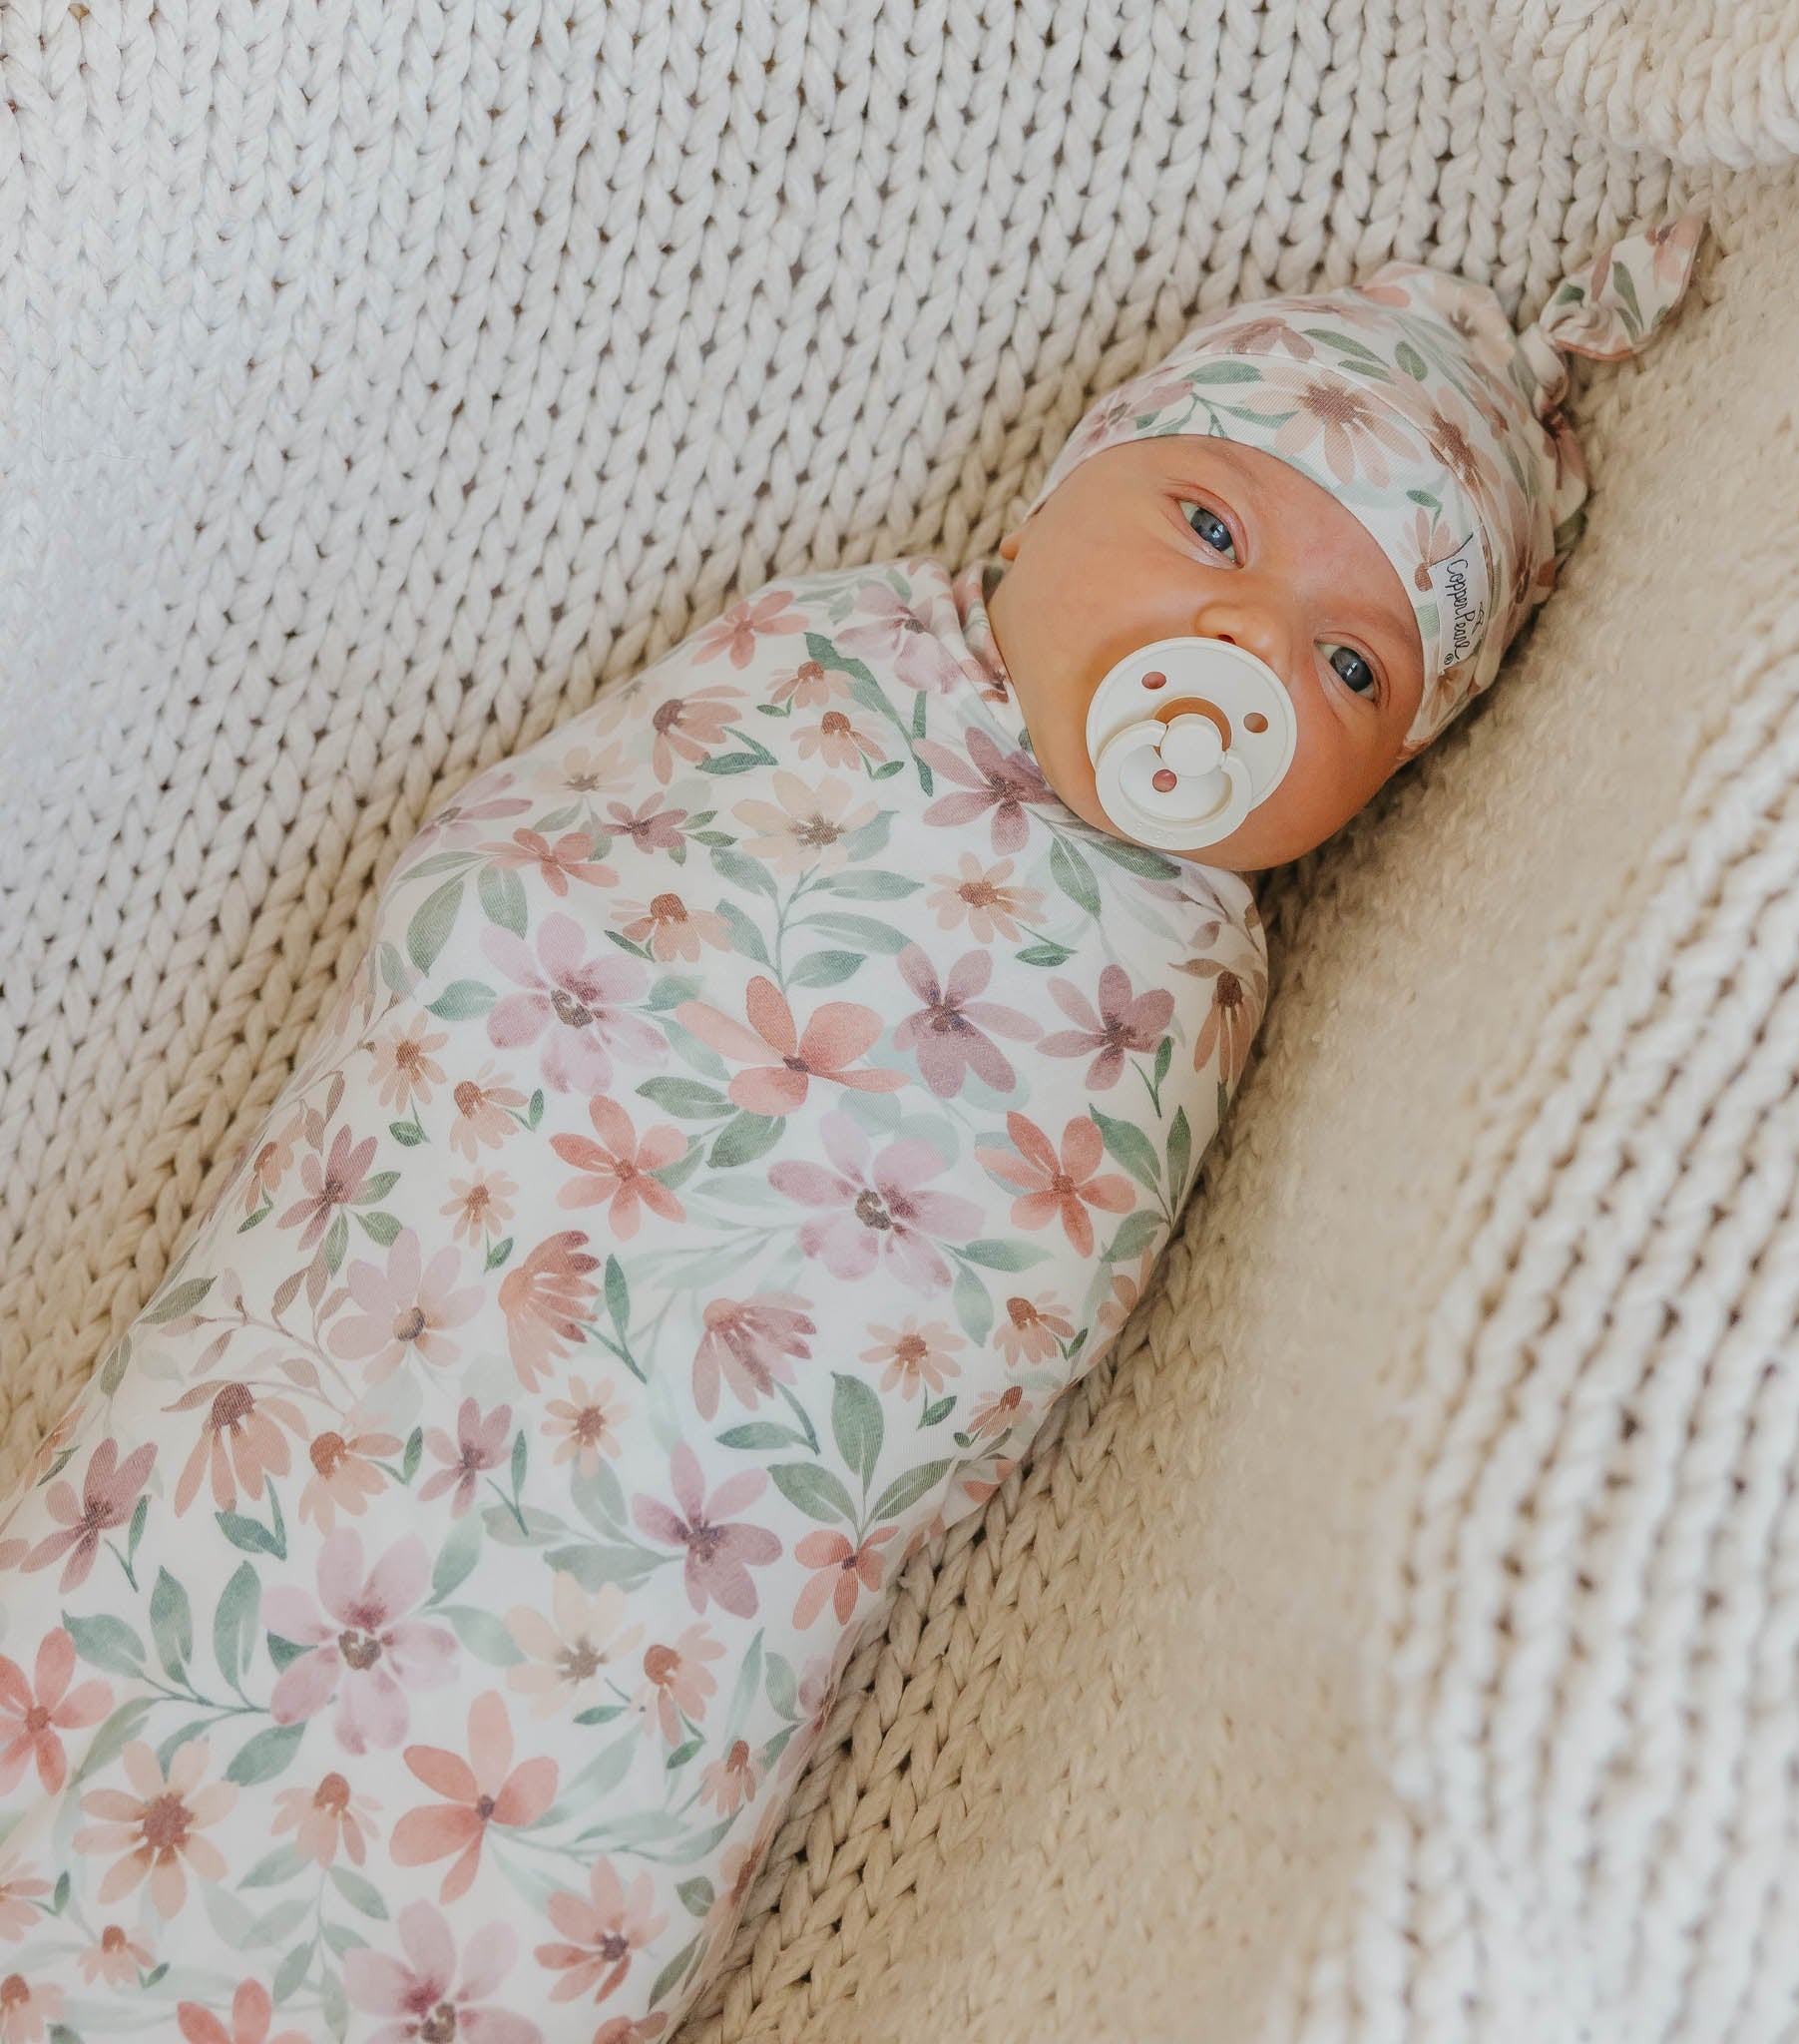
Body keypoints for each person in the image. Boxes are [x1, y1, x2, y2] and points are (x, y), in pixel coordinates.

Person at [0, 219, 1702, 2042]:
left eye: (1352, 668)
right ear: (1061, 493)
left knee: (529, 1814)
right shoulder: (844, 651)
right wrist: (489, 991)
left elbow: (1032, 1303)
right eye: (1212, 529)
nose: (1243, 642)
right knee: (161, 1592)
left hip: (683, 1523)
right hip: (423, 1268)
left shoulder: (1190, 975)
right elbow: (536, 841)